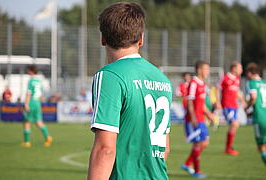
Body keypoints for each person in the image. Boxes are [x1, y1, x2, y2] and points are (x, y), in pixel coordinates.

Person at [88, 2, 172, 180]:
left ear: (103, 38)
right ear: (141, 38)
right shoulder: (162, 79)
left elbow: (105, 149)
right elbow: (164, 148)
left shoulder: (109, 76)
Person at [181, 61, 215, 179]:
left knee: (204, 143)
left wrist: (209, 114)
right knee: (198, 143)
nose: (208, 72)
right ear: (199, 70)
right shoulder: (194, 83)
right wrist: (193, 117)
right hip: (194, 119)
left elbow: (202, 104)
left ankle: (187, 164)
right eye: (206, 69)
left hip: (201, 118)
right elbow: (190, 101)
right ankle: (197, 171)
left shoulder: (203, 84)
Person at [21, 65, 52, 148]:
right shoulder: (39, 81)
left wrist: (26, 104)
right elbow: (41, 94)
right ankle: (48, 137)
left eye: (28, 70)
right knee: (38, 121)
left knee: (27, 122)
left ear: (31, 71)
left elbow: (28, 93)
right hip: (37, 103)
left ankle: (27, 142)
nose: (27, 72)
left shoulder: (30, 81)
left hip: (31, 102)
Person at [219, 61, 246, 155]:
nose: (241, 70)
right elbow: (218, 89)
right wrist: (217, 102)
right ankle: (228, 148)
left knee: (235, 125)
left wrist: (242, 101)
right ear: (234, 68)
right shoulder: (225, 78)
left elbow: (237, 91)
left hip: (234, 106)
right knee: (234, 123)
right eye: (240, 68)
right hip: (227, 105)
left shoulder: (237, 79)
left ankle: (228, 147)